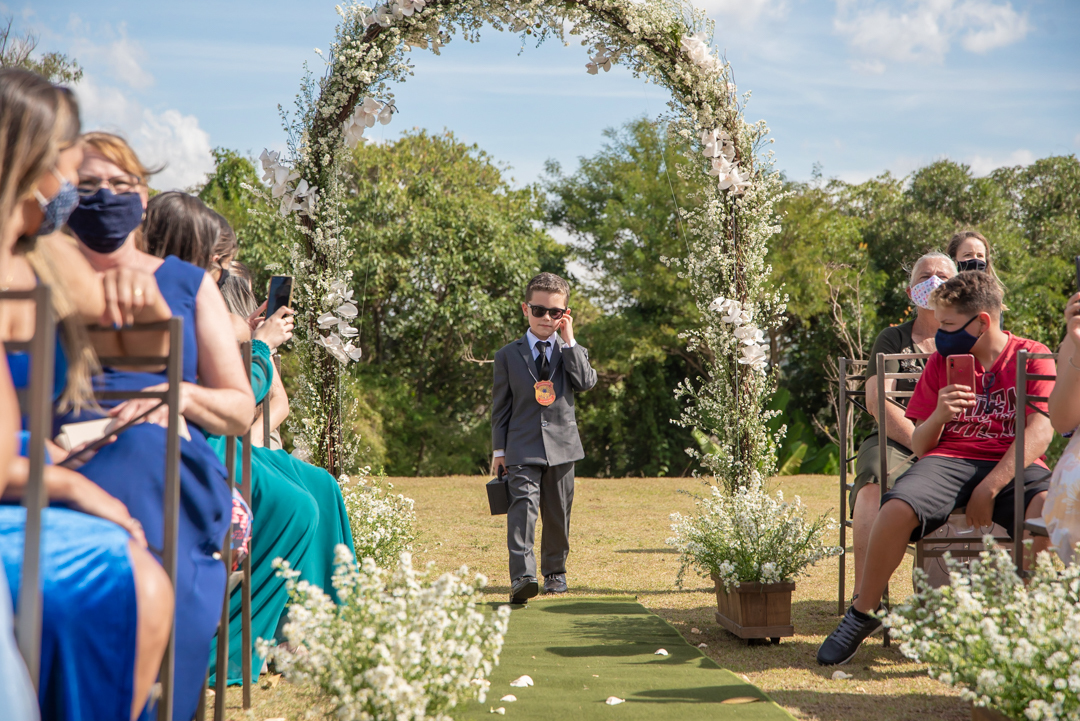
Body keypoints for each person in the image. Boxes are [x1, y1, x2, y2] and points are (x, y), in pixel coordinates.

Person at [61, 132, 255, 720]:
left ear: (143, 198)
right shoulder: (37, 278)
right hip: (61, 445)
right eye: (88, 184)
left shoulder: (187, 284)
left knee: (147, 456)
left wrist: (176, 395)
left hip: (163, 446)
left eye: (120, 184)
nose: (104, 195)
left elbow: (239, 408)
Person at [0, 68, 173, 721]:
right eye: (73, 168)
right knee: (137, 582)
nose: (77, 190)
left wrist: (141, 290)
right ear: (33, 164)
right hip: (23, 479)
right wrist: (72, 484)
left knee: (143, 569)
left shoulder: (48, 257)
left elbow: (149, 341)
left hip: (36, 466)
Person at [142, 196, 354, 685]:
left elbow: (258, 397)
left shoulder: (191, 297)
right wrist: (259, 346)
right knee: (295, 506)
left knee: (320, 485)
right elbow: (240, 395)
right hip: (195, 439)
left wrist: (252, 340)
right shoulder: (176, 297)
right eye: (220, 262)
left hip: (212, 432)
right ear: (197, 253)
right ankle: (238, 648)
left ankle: (318, 626)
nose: (222, 272)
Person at [818, 271, 1054, 666]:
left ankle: (1028, 620)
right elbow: (922, 445)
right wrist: (941, 414)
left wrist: (990, 487)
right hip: (950, 459)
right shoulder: (943, 361)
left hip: (1012, 461)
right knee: (896, 507)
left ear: (982, 322)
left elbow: (1041, 432)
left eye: (947, 324)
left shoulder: (1031, 356)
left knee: (1044, 509)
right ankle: (863, 612)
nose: (940, 335)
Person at [848, 252, 956, 594]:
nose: (934, 282)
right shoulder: (893, 338)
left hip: (958, 441)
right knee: (872, 483)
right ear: (911, 292)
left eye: (943, 276)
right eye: (925, 276)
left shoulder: (972, 339)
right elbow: (877, 401)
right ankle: (866, 598)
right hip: (895, 441)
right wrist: (921, 443)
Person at [491, 272, 597, 603]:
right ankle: (522, 577)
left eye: (555, 312)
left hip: (563, 448)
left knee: (558, 513)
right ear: (526, 309)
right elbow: (500, 407)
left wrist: (570, 341)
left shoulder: (572, 350)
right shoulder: (507, 355)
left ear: (565, 314)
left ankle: (555, 573)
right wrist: (498, 451)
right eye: (539, 310)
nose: (546, 318)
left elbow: (585, 382)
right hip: (521, 446)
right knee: (521, 509)